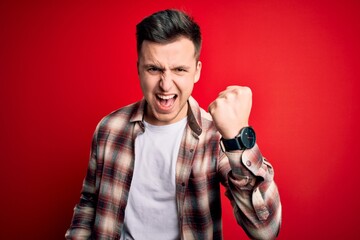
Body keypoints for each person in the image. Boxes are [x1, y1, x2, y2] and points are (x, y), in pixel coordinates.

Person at [65, 9, 282, 240]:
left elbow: (266, 230)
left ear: (196, 71)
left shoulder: (215, 136)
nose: (166, 85)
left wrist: (237, 139)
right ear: (139, 68)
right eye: (154, 69)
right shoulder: (109, 129)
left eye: (179, 69)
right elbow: (89, 203)